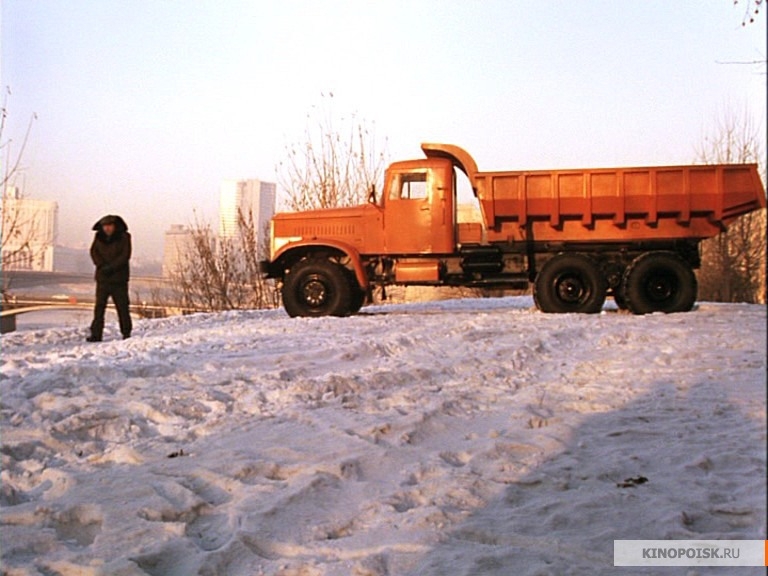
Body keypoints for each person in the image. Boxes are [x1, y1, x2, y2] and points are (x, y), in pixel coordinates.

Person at [87, 214, 132, 342]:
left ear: (115, 226)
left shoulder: (124, 237)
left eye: (109, 226)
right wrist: (101, 265)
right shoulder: (98, 237)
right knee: (99, 308)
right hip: (103, 279)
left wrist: (111, 267)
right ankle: (96, 334)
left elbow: (125, 255)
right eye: (105, 226)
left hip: (119, 279)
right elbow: (93, 252)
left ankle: (126, 333)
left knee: (122, 308)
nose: (107, 228)